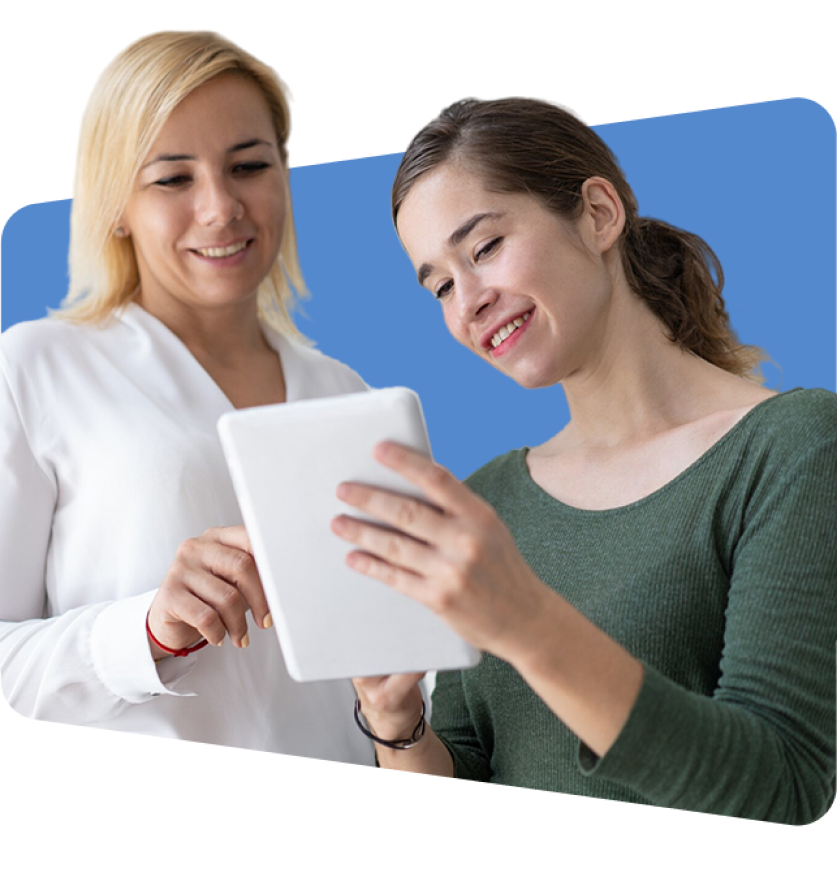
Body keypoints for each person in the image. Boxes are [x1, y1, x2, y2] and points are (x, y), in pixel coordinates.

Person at [333, 97, 837, 820]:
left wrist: (527, 623)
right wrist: (396, 723)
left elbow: (783, 784)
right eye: (441, 284)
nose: (467, 301)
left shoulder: (791, 448)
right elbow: (468, 759)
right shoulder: (488, 500)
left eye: (483, 248)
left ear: (597, 213)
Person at [0, 29, 375, 764]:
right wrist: (144, 631)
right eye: (173, 179)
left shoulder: (346, 395)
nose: (220, 208)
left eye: (248, 165)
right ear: (114, 204)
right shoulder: (34, 369)